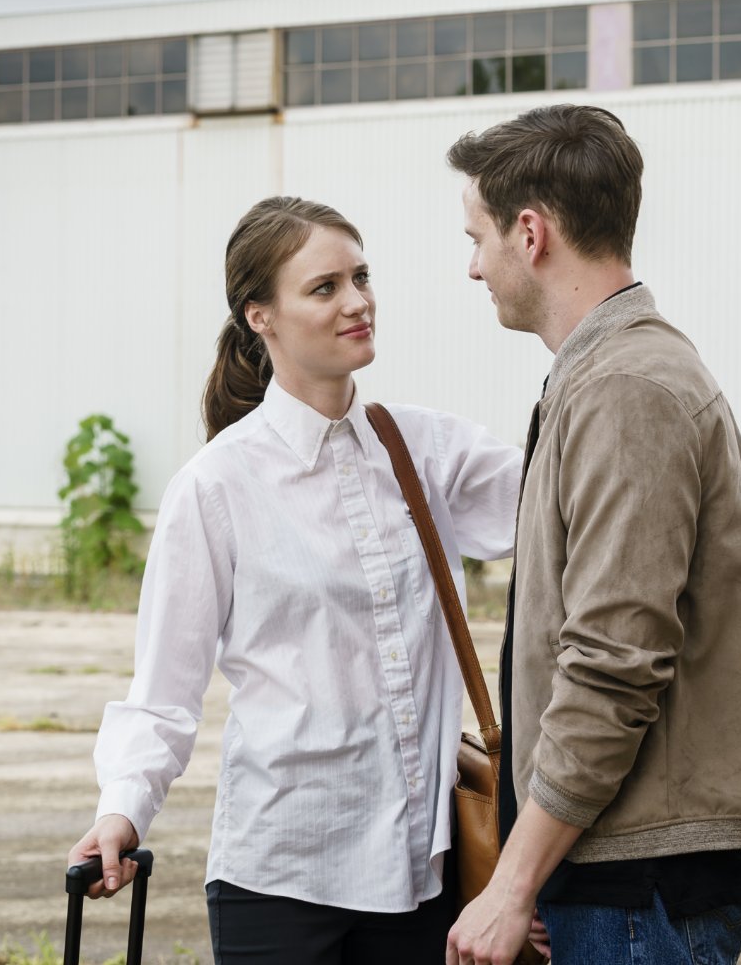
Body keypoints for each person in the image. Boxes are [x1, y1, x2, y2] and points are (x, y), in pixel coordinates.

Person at [68, 196, 525, 964]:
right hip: (280, 880)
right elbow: (164, 690)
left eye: (361, 277)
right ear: (260, 315)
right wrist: (123, 811)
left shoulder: (428, 450)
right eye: (323, 288)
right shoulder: (216, 486)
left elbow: (572, 506)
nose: (357, 302)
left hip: (424, 879)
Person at [442, 105, 741, 965]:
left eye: (477, 237)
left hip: (639, 887)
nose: (472, 266)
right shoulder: (608, 374)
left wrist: (514, 880)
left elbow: (612, 661)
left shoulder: (625, 388)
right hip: (617, 871)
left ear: (530, 233)